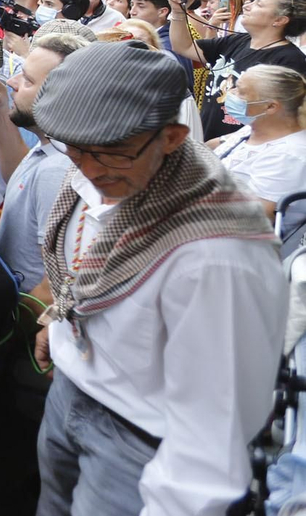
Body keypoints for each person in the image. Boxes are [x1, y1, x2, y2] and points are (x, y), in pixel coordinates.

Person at [29, 45, 284, 516]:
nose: (86, 168)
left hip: (141, 445)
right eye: (75, 149)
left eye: (110, 154)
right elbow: (92, 265)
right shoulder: (107, 163)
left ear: (172, 137)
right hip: (68, 396)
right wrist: (62, 325)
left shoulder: (217, 256)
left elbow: (211, 436)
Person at [0, 31, 92, 516]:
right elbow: (20, 174)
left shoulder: (66, 168)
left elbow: (60, 273)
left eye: (29, 80)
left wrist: (0, 327)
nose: (14, 82)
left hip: (29, 347)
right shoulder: (53, 150)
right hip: (19, 338)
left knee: (5, 477)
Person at [168, 0, 306, 140]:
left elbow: (283, 117)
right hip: (209, 139)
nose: (247, 6)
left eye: (258, 4)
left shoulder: (289, 60)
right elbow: (184, 47)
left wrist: (229, 142)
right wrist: (178, 12)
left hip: (240, 151)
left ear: (280, 20)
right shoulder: (238, 41)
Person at [211, 64, 306, 215]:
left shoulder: (288, 156)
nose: (231, 93)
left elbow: (252, 220)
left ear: (270, 107)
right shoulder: (253, 129)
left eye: (241, 92)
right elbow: (211, 147)